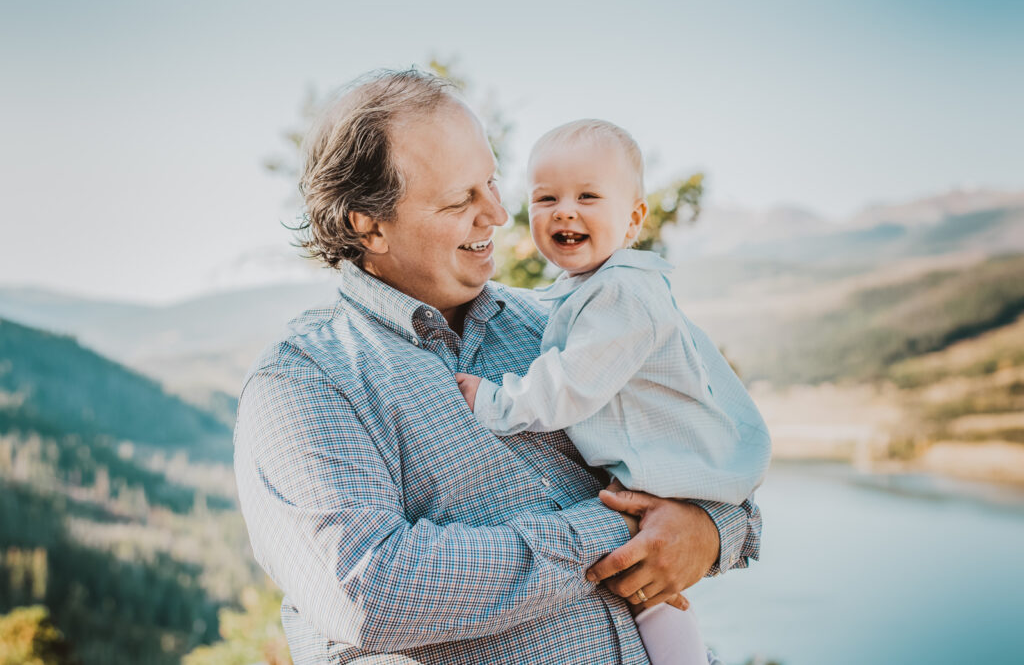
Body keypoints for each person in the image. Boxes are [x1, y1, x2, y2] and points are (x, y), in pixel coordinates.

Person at [233, 69, 762, 664]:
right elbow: (371, 593)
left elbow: (702, 458)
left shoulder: (570, 324)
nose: (499, 213)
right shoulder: (306, 382)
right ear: (369, 224)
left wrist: (712, 532)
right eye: (461, 199)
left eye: (491, 181)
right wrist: (616, 531)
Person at [455, 119, 772, 664]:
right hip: (662, 476)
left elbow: (568, 386)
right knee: (652, 599)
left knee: (650, 594)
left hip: (679, 470)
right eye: (546, 197)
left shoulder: (621, 294)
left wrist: (493, 401)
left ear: (634, 218)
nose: (565, 211)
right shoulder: (584, 288)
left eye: (588, 196)